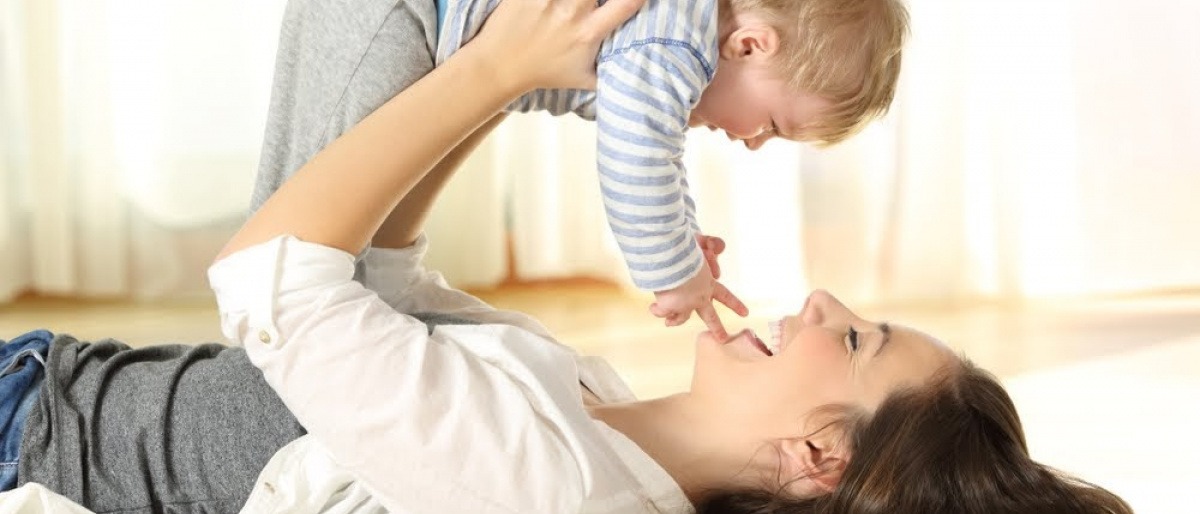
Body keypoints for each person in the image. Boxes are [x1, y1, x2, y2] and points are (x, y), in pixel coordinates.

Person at [0, 0, 1131, 511]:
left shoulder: (549, 485)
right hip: (64, 376)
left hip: (36, 430)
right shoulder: (597, 407)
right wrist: (491, 61)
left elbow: (272, 276)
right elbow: (375, 287)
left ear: (817, 456)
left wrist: (489, 73)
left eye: (855, 336)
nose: (824, 298)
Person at [251, 0, 910, 340]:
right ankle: (273, 336)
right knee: (293, 243)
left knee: (343, 221)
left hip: (423, 25)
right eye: (771, 125)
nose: (754, 143)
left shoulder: (665, 41)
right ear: (748, 45)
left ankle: (330, 324)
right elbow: (639, 158)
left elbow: (647, 144)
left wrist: (680, 232)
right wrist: (678, 274)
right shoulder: (675, 43)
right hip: (398, 13)